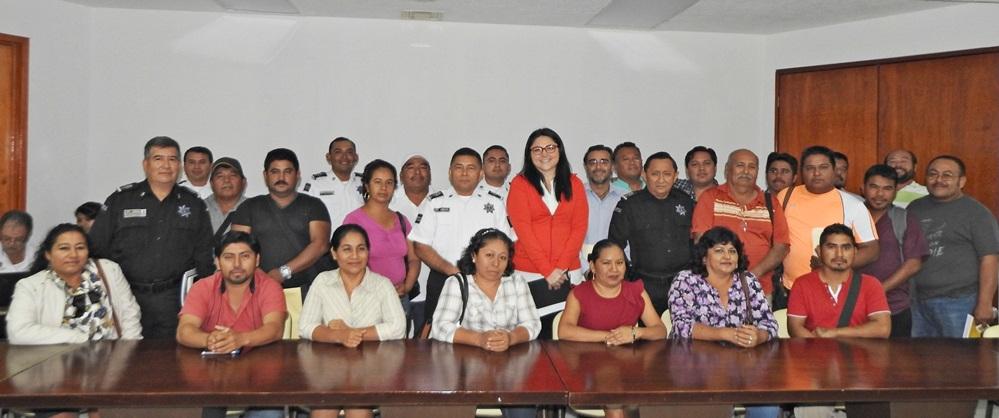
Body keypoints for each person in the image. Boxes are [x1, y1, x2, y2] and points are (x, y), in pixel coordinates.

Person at [6, 224, 143, 418]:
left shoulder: (108, 270)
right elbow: (18, 331)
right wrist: (78, 337)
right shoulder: (31, 286)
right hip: (52, 375)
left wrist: (128, 357)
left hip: (110, 370)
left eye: (80, 247)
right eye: (64, 248)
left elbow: (130, 315)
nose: (73, 254)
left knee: (107, 412)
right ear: (48, 254)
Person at [90, 136, 215, 338]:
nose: (166, 165)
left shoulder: (194, 205)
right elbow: (97, 250)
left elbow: (204, 259)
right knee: (125, 360)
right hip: (126, 295)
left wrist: (207, 303)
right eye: (158, 158)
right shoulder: (121, 201)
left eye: (172, 159)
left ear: (179, 166)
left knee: (172, 361)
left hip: (174, 298)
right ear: (145, 164)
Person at [667, 226, 779, 418]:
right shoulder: (686, 281)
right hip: (695, 369)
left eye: (732, 251)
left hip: (744, 367)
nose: (727, 256)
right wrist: (725, 333)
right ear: (704, 257)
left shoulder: (748, 281)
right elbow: (681, 325)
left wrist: (759, 336)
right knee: (717, 408)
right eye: (719, 250)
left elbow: (769, 323)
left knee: (769, 407)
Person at [430, 228, 540, 418]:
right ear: (474, 255)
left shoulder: (516, 282)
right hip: (463, 371)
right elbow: (441, 326)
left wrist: (511, 337)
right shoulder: (457, 283)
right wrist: (480, 339)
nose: (495, 263)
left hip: (510, 369)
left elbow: (533, 323)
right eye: (489, 255)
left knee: (524, 407)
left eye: (503, 258)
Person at [177, 231, 287, 418]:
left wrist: (240, 339)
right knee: (199, 408)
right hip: (212, 376)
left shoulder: (270, 287)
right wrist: (210, 339)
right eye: (228, 257)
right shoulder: (202, 287)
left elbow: (274, 329)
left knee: (270, 413)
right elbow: (184, 331)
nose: (237, 264)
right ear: (217, 262)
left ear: (257, 260)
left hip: (259, 374)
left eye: (245, 256)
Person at [301, 224, 406, 418]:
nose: (355, 256)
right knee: (322, 413)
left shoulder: (382, 284)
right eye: (347, 249)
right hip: (326, 370)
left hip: (371, 370)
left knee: (358, 411)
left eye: (361, 248)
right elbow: (306, 327)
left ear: (368, 252)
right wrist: (338, 335)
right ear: (334, 253)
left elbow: (398, 328)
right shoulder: (322, 281)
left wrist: (351, 332)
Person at [559, 239, 666, 418]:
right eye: (606, 263)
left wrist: (634, 333)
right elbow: (565, 331)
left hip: (631, 367)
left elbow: (660, 330)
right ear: (593, 266)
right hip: (592, 368)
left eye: (619, 263)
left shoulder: (636, 291)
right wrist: (609, 336)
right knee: (615, 404)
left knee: (662, 398)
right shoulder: (580, 293)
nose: (614, 269)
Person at [410, 148, 512, 334]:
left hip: (484, 281)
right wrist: (451, 270)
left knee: (483, 336)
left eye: (471, 168)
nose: (464, 173)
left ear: (481, 173)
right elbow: (420, 245)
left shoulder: (495, 203)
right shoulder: (434, 203)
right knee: (437, 337)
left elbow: (506, 244)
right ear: (450, 172)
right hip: (443, 278)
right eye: (459, 167)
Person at [507, 127, 588, 339]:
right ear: (529, 154)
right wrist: (547, 270)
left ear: (559, 150)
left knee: (566, 337)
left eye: (550, 147)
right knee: (533, 338)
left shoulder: (575, 184)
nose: (544, 154)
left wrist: (560, 268)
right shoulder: (520, 184)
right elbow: (523, 231)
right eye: (537, 149)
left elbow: (579, 228)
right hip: (529, 271)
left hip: (568, 271)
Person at [908, 155, 999, 337]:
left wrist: (985, 303)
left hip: (960, 302)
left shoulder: (976, 213)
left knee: (960, 361)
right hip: (917, 302)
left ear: (962, 181)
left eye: (947, 175)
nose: (939, 180)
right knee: (921, 362)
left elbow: (990, 259)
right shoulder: (914, 208)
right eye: (933, 174)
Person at [692, 149, 789, 302]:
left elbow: (781, 246)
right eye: (740, 165)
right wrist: (729, 278)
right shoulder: (710, 198)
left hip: (759, 289)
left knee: (756, 327)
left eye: (752, 167)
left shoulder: (771, 202)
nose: (746, 171)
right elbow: (701, 241)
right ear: (726, 170)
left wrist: (751, 276)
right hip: (716, 290)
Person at [777, 145, 878, 291]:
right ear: (801, 172)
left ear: (834, 170)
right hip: (790, 287)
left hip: (835, 288)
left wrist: (834, 264)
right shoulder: (785, 196)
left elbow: (872, 250)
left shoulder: (852, 205)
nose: (816, 173)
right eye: (810, 168)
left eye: (823, 167)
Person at [231, 148, 331, 296]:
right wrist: (262, 278)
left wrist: (282, 272)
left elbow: (320, 245)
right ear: (265, 175)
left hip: (308, 291)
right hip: (258, 290)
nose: (281, 177)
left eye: (287, 172)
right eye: (275, 172)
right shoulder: (248, 207)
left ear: (297, 175)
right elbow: (237, 247)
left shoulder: (314, 205)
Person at [608, 151, 694, 315]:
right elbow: (615, 245)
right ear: (644, 175)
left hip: (682, 282)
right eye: (655, 174)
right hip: (644, 283)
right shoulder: (630, 205)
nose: (661, 180)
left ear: (675, 176)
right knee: (646, 337)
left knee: (683, 335)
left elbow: (697, 241)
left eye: (667, 174)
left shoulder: (686, 202)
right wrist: (629, 279)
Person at [342, 159, 419, 323]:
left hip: (399, 299)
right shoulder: (354, 220)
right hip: (366, 300)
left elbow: (414, 259)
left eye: (389, 183)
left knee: (398, 348)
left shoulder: (401, 220)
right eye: (378, 182)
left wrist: (407, 286)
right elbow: (347, 263)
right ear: (367, 186)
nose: (384, 188)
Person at [859, 164, 928, 337]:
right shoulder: (850, 215)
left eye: (887, 188)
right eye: (874, 187)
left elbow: (913, 263)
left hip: (894, 306)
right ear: (863, 188)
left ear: (895, 191)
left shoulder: (904, 219)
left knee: (895, 360)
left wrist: (878, 290)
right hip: (852, 305)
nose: (880, 194)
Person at [787, 223, 891, 338]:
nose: (839, 254)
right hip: (815, 354)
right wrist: (820, 351)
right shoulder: (802, 284)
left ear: (855, 251)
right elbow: (795, 328)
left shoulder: (871, 284)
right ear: (819, 250)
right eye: (831, 247)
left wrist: (833, 333)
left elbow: (883, 328)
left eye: (846, 248)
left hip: (859, 355)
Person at [389, 154, 433, 333]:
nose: (417, 172)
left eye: (423, 167)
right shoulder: (388, 203)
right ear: (400, 176)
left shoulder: (440, 203)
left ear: (430, 174)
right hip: (396, 290)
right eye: (410, 167)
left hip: (432, 290)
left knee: (428, 352)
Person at [303, 136, 364, 230]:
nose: (344, 157)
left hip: (360, 243)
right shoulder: (315, 185)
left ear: (356, 157)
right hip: (328, 243)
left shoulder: (366, 183)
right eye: (338, 152)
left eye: (349, 152)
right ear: (328, 157)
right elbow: (303, 219)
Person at [581, 145, 625, 266]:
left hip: (615, 270)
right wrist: (586, 269)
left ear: (612, 166)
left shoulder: (625, 198)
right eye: (593, 162)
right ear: (586, 167)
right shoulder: (574, 195)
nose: (598, 167)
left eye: (604, 162)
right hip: (579, 271)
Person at [204, 157, 247, 234]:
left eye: (233, 175)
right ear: (211, 183)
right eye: (220, 176)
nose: (227, 180)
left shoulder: (254, 209)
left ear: (243, 182)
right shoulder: (199, 208)